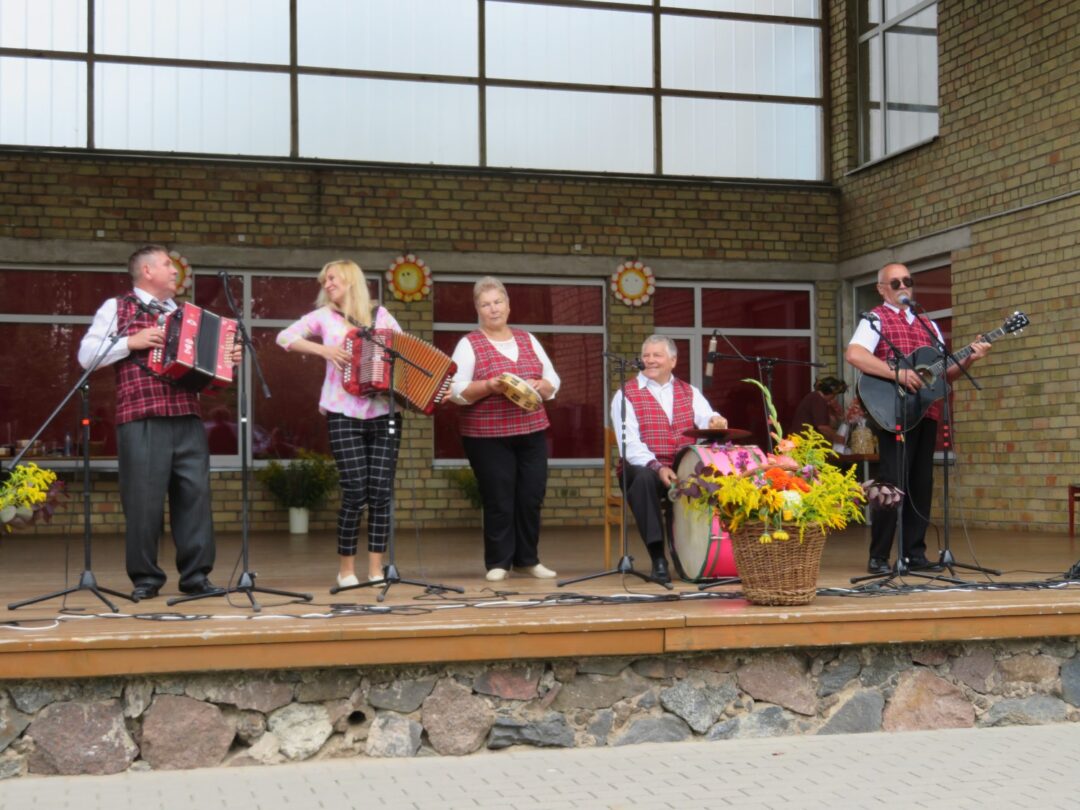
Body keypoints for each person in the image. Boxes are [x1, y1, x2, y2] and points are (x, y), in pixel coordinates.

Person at [77, 244, 240, 601]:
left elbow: (207, 374)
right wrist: (130, 341)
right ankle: (146, 579)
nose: (174, 270)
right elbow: (86, 355)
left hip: (187, 417)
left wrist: (226, 358)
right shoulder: (117, 307)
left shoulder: (187, 315)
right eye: (167, 264)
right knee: (143, 502)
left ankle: (196, 577)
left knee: (195, 499)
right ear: (147, 271)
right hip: (142, 419)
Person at [845, 262, 991, 574]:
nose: (903, 287)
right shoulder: (875, 319)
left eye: (907, 281)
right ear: (882, 289)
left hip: (925, 411)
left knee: (921, 483)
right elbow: (855, 354)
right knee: (891, 483)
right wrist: (897, 374)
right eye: (895, 283)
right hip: (892, 411)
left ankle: (914, 554)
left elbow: (942, 374)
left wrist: (970, 358)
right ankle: (879, 556)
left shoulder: (929, 325)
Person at [277, 259, 402, 589]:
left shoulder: (381, 316)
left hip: (384, 413)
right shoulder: (323, 316)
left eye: (332, 278)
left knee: (380, 492)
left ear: (350, 280)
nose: (327, 284)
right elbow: (284, 337)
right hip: (342, 412)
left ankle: (376, 569)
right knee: (355, 491)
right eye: (324, 280)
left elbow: (404, 353)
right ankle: (346, 570)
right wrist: (325, 350)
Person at [449, 277, 560, 582]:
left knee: (531, 496)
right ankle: (499, 562)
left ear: (508, 306)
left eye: (498, 302)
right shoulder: (469, 344)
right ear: (477, 309)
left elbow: (553, 380)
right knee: (499, 498)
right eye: (486, 304)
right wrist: (488, 386)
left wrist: (543, 385)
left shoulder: (527, 338)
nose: (493, 309)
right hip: (487, 436)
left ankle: (527, 560)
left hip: (532, 430)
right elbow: (454, 390)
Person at [610, 335, 728, 583]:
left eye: (657, 355)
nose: (650, 360)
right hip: (643, 467)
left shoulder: (689, 391)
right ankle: (658, 558)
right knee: (643, 480)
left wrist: (715, 420)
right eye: (646, 355)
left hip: (683, 466)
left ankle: (708, 557)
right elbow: (630, 445)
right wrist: (658, 467)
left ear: (673, 361)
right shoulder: (625, 394)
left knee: (716, 476)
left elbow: (706, 417)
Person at [787, 376, 848, 445]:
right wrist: (839, 439)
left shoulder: (816, 397)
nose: (834, 398)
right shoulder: (818, 401)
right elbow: (822, 427)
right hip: (802, 441)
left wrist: (834, 411)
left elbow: (831, 423)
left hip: (803, 439)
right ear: (830, 393)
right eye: (834, 395)